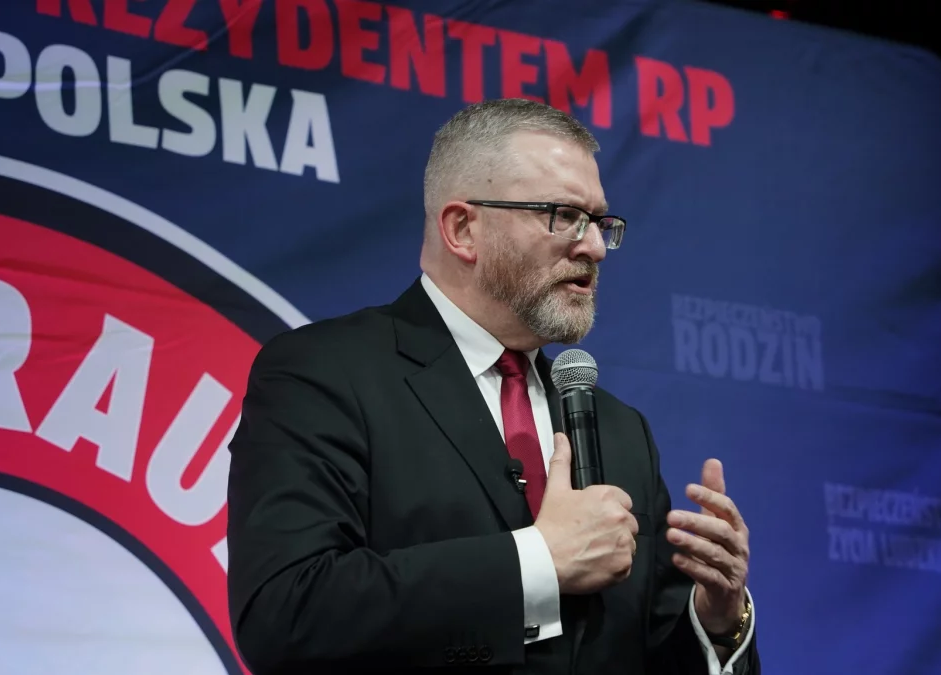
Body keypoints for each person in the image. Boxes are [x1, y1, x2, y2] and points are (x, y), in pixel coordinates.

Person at [225, 98, 761, 675]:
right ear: (463, 229)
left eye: (599, 222)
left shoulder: (619, 430)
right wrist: (538, 562)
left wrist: (716, 622)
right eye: (563, 215)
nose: (595, 247)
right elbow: (285, 613)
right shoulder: (325, 373)